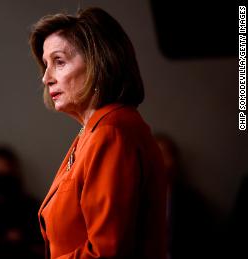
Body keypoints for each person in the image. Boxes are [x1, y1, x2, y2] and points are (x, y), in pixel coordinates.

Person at [28, 7, 167, 259]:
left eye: (59, 62)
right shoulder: (92, 131)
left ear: (98, 63)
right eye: (46, 65)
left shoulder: (111, 132)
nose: (46, 78)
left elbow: (107, 252)